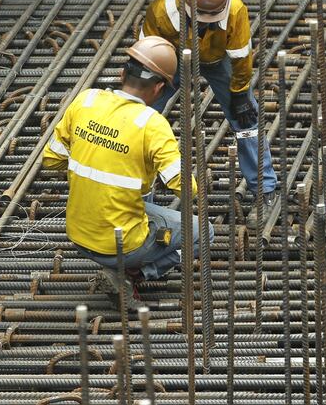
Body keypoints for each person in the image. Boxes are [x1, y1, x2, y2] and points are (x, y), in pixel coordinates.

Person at [42, 36, 210, 308]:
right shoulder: (151, 124)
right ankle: (137, 275)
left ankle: (123, 267)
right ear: (158, 88)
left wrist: (100, 158)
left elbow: (51, 160)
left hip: (78, 233)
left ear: (122, 74)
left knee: (142, 188)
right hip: (119, 245)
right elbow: (187, 189)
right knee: (204, 233)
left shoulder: (86, 100)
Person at [140, 0, 278, 223]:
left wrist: (240, 93)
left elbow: (240, 57)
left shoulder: (235, 9)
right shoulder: (162, 11)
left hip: (216, 59)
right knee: (140, 120)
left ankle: (265, 188)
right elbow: (147, 56)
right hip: (171, 59)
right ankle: (139, 196)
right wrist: (148, 92)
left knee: (247, 119)